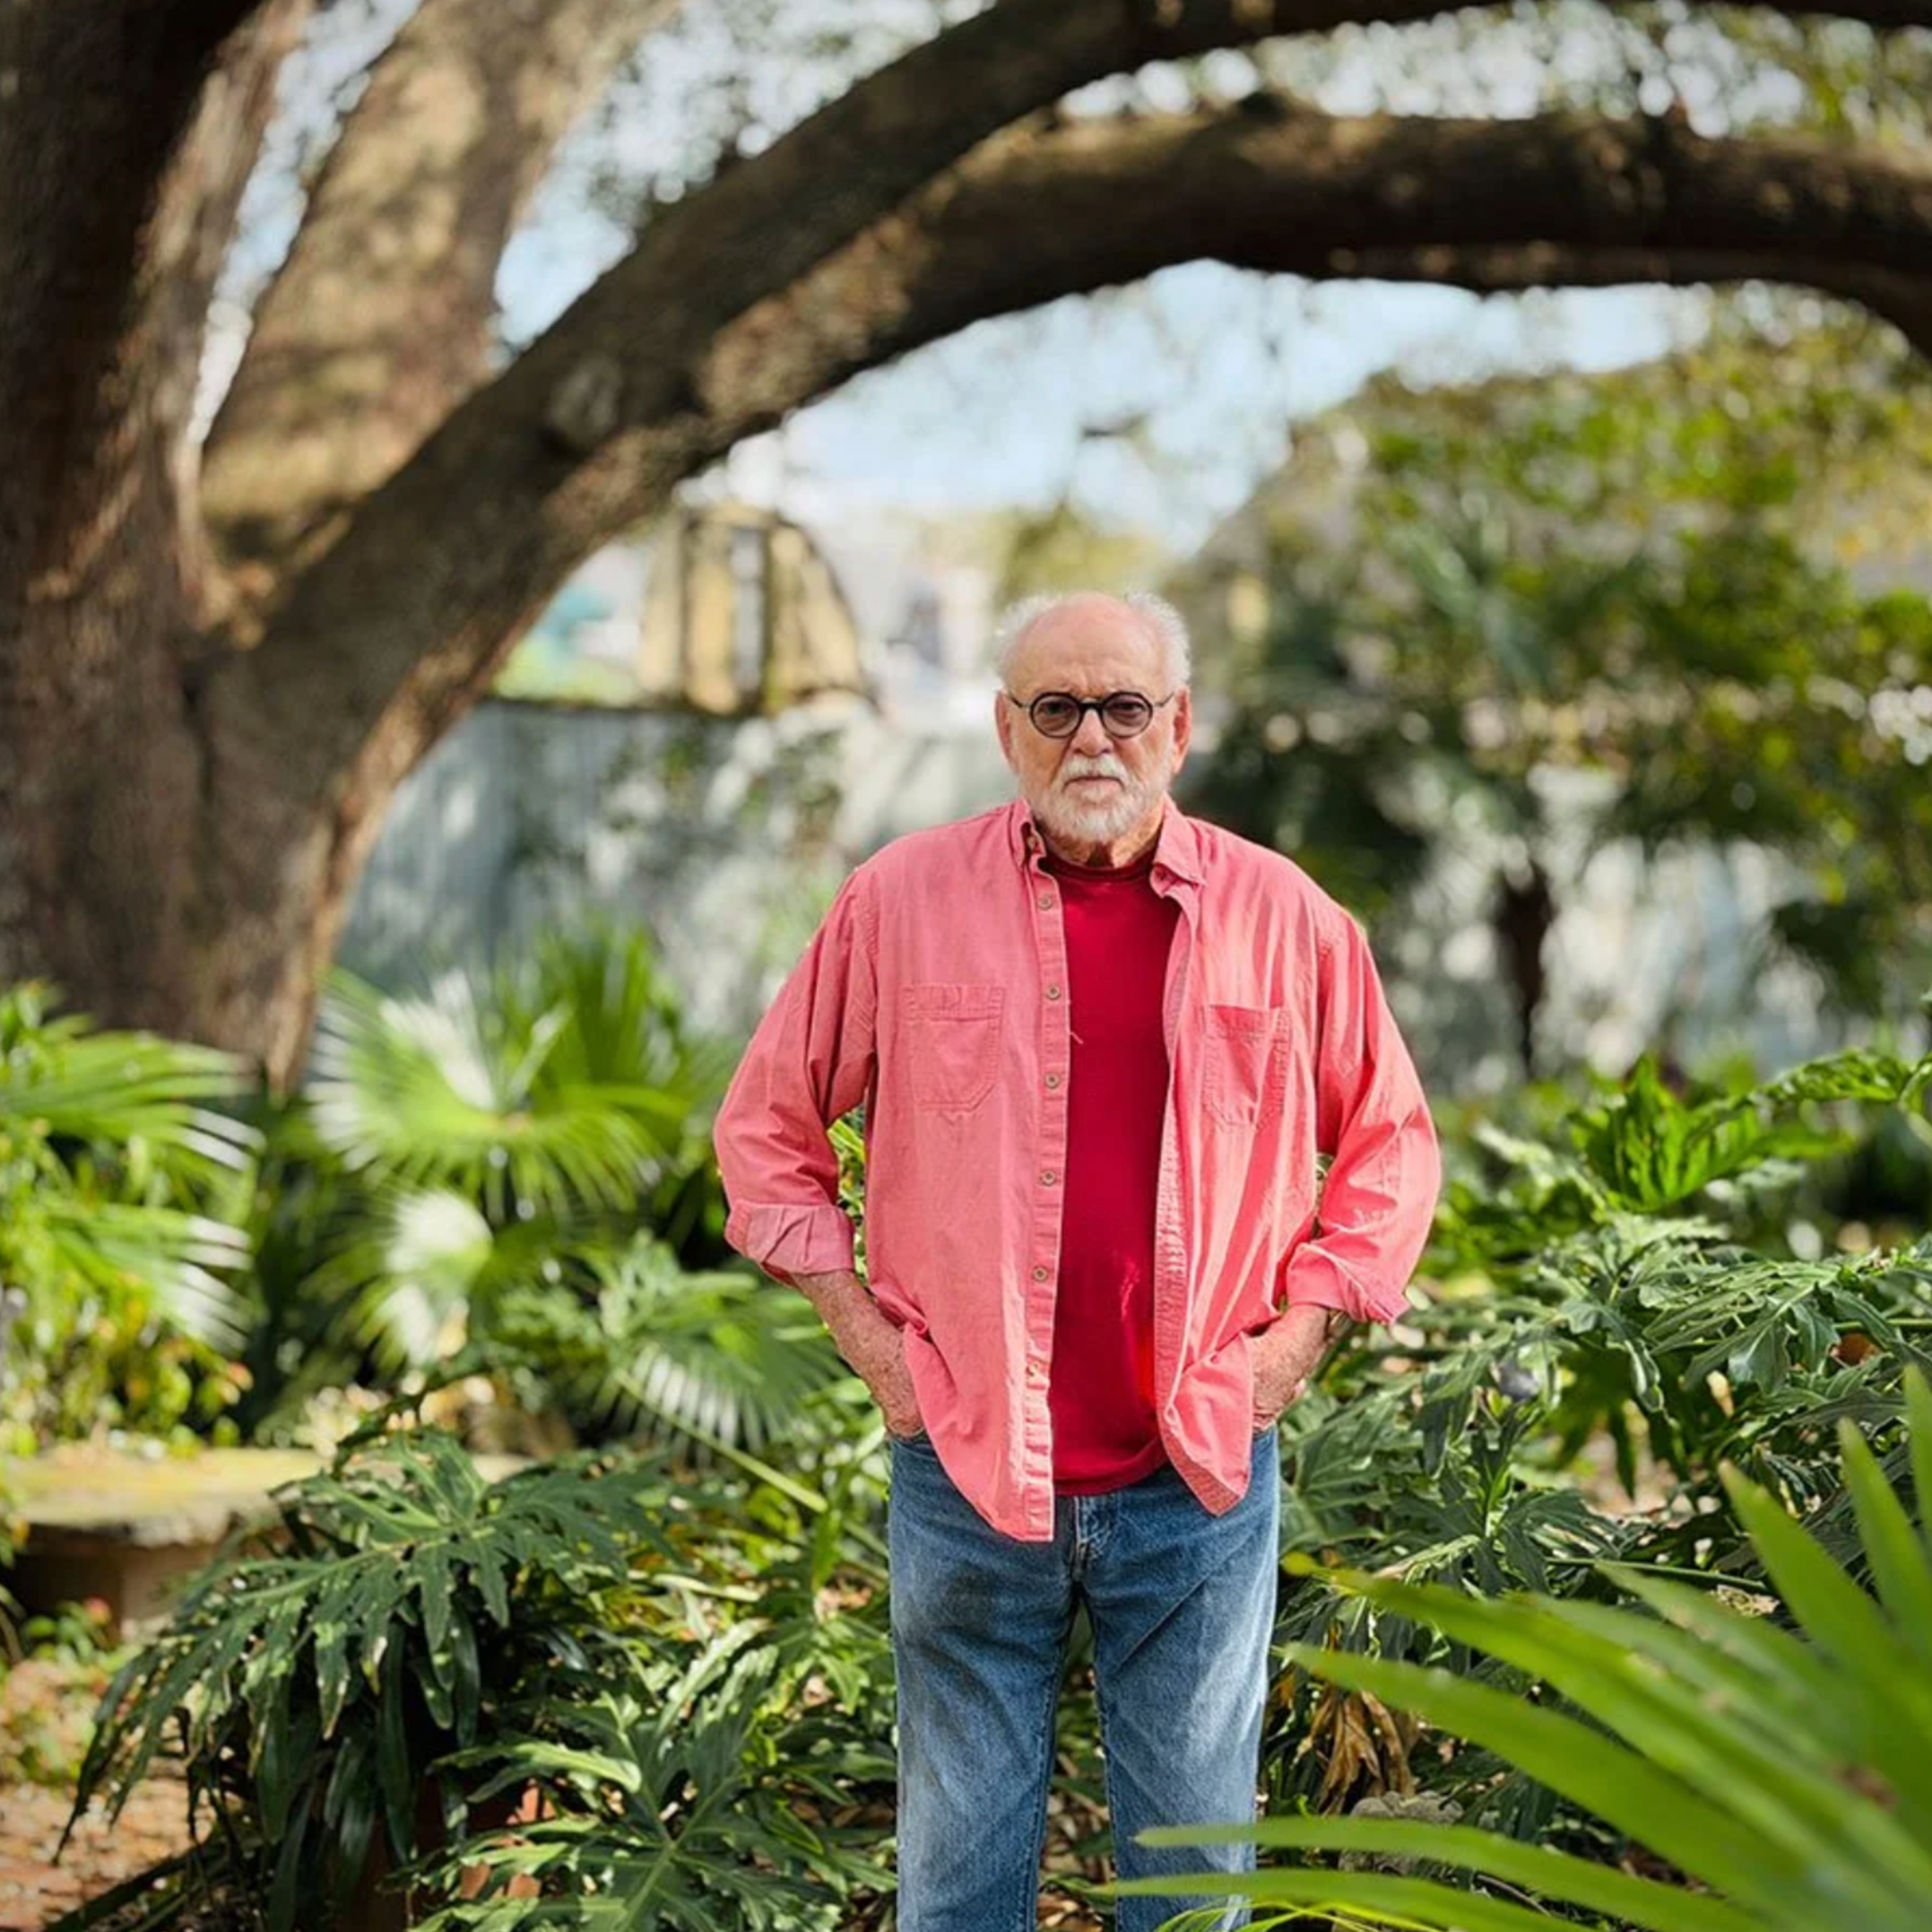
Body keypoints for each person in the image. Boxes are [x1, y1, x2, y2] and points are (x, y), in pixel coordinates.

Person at [712, 590, 1441, 1932]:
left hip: (1198, 1474)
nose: (1091, 738)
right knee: (958, 1894)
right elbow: (765, 1132)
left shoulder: (1285, 918)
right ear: (1008, 730)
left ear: (1180, 725)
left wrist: (1295, 1344)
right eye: (1056, 708)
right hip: (967, 1464)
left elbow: (1392, 1144)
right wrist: (874, 1347)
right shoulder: (899, 903)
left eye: (1124, 706)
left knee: (1192, 1893)